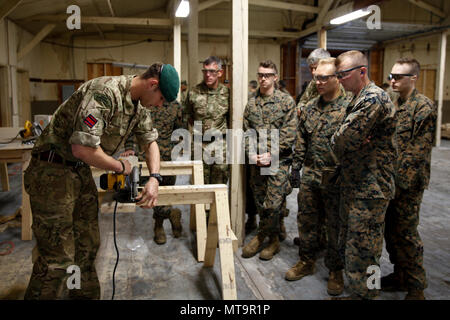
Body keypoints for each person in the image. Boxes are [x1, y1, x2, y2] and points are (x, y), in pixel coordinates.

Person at [23, 63, 179, 300]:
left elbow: (150, 142)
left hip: (78, 171)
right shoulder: (105, 93)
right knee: (57, 259)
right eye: (160, 99)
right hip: (51, 172)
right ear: (152, 84)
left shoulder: (139, 106)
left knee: (87, 247)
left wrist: (155, 178)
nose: (160, 105)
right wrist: (120, 166)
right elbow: (82, 148)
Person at [331, 51, 397, 300]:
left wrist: (345, 138)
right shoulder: (357, 97)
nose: (340, 80)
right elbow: (345, 138)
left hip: (371, 188)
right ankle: (361, 292)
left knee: (365, 247)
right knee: (353, 244)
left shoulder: (373, 99)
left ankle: (368, 295)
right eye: (337, 75)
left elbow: (341, 139)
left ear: (362, 72)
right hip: (356, 183)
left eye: (343, 75)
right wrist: (347, 138)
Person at [286, 58, 351, 296]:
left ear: (337, 78)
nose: (319, 82)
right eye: (316, 77)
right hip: (312, 175)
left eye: (325, 78)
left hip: (336, 177)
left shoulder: (351, 107)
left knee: (336, 225)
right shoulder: (310, 107)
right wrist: (295, 168)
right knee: (307, 221)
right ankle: (306, 261)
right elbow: (302, 139)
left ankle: (335, 269)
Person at [382, 58, 436, 300]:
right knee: (391, 232)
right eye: (391, 75)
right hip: (389, 181)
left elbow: (417, 152)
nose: (392, 80)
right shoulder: (392, 102)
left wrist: (398, 184)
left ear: (413, 78)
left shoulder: (423, 108)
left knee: (406, 234)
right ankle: (399, 274)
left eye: (398, 77)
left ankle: (416, 287)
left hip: (408, 184)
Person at [242, 60, 297, 260]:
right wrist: (251, 154)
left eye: (267, 75)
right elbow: (246, 133)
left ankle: (262, 236)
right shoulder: (251, 103)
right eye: (260, 75)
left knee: (273, 204)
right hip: (257, 163)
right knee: (260, 202)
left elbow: (290, 133)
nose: (263, 79)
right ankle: (273, 239)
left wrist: (272, 153)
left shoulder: (286, 102)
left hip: (278, 162)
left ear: (275, 77)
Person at [121, 99, 186, 245]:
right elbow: (130, 129)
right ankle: (171, 214)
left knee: (165, 194)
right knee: (147, 193)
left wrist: (177, 149)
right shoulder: (142, 103)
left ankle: (159, 226)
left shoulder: (175, 106)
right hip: (145, 158)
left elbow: (180, 131)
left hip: (167, 159)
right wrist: (129, 147)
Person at [293, 48, 331, 249]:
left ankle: (322, 241)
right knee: (308, 207)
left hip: (330, 161)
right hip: (311, 155)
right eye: (311, 69)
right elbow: (300, 109)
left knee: (328, 208)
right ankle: (311, 240)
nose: (314, 73)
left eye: (316, 68)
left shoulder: (340, 90)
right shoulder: (312, 87)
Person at [184, 56, 230, 185]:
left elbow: (231, 119)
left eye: (212, 71)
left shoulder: (227, 93)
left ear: (220, 73)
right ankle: (201, 207)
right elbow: (188, 115)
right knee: (199, 182)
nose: (208, 75)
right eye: (205, 71)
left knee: (219, 184)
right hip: (200, 144)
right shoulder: (194, 92)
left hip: (221, 144)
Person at [297, 48, 331, 115]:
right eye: (311, 68)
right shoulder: (313, 82)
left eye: (316, 68)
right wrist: (301, 108)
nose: (313, 72)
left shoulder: (336, 83)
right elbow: (303, 101)